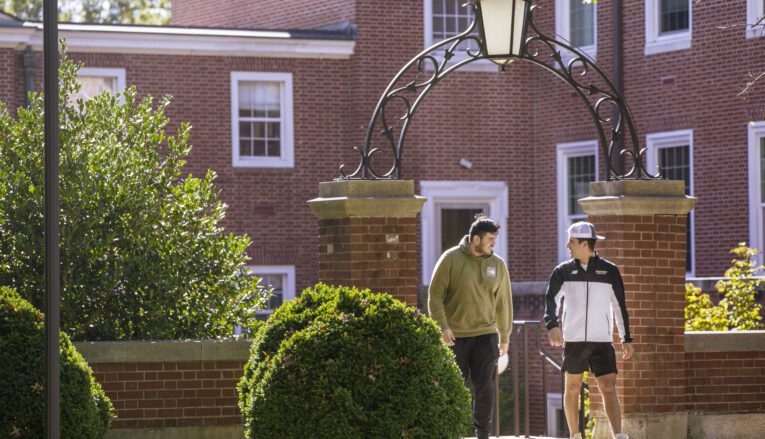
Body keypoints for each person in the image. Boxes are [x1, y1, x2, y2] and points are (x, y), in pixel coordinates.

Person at [544, 221, 634, 439]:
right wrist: (552, 324)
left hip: (602, 340)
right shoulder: (563, 271)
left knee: (608, 388)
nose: (567, 245)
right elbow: (551, 300)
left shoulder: (610, 271)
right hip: (574, 340)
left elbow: (619, 305)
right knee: (572, 388)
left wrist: (626, 338)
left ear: (585, 244)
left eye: (572, 242)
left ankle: (619, 436)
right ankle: (575, 435)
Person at [428, 215, 513, 439]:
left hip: (486, 334)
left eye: (495, 239)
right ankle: (452, 432)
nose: (494, 244)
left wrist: (504, 336)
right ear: (476, 239)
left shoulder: (497, 264)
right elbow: (435, 296)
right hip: (455, 336)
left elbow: (503, 302)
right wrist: (442, 326)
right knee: (454, 388)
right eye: (490, 239)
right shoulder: (451, 259)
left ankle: (482, 434)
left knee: (486, 387)